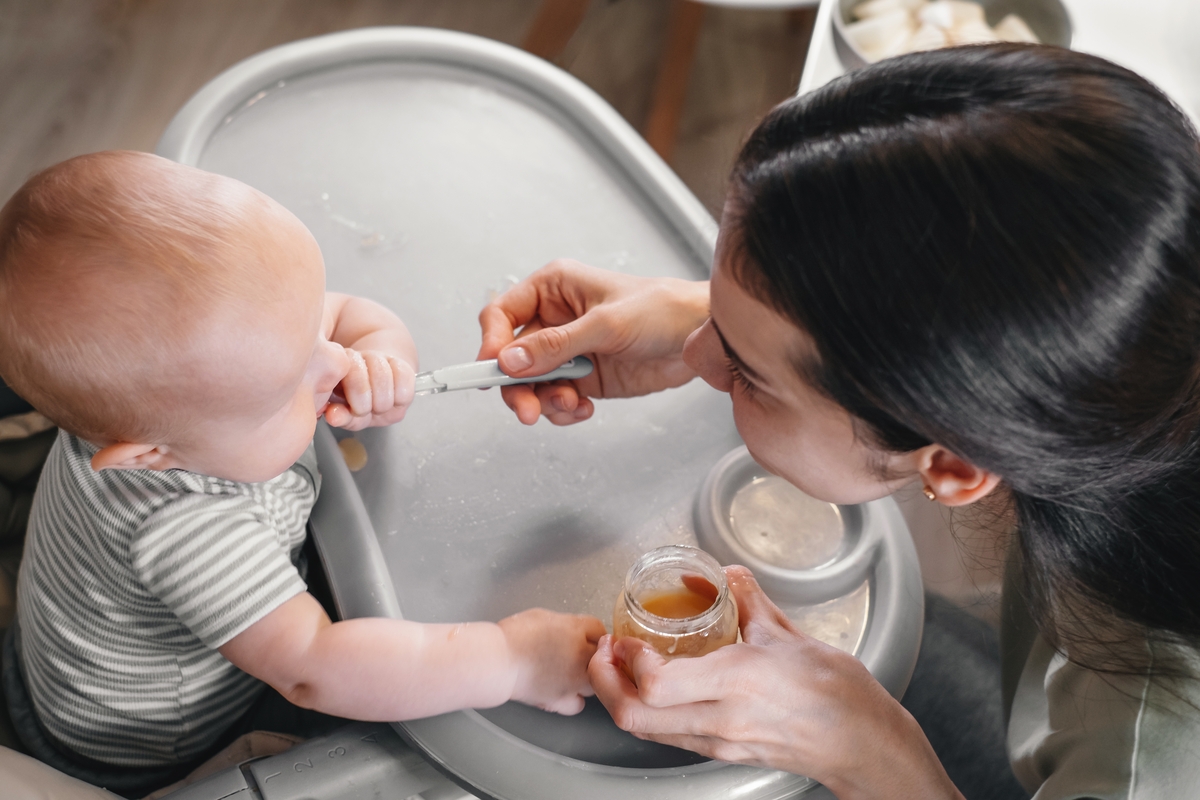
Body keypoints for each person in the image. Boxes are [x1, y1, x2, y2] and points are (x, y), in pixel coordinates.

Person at [478, 44, 1200, 799]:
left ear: (952, 465)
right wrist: (722, 317)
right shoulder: (1156, 299)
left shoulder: (1149, 755)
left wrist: (869, 753)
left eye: (746, 374)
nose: (697, 354)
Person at [0, 151, 604, 796]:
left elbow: (349, 318)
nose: (332, 362)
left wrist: (382, 358)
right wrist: (509, 661)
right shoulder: (185, 528)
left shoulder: (173, 387)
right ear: (149, 457)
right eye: (289, 387)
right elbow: (314, 667)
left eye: (314, 333)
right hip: (141, 745)